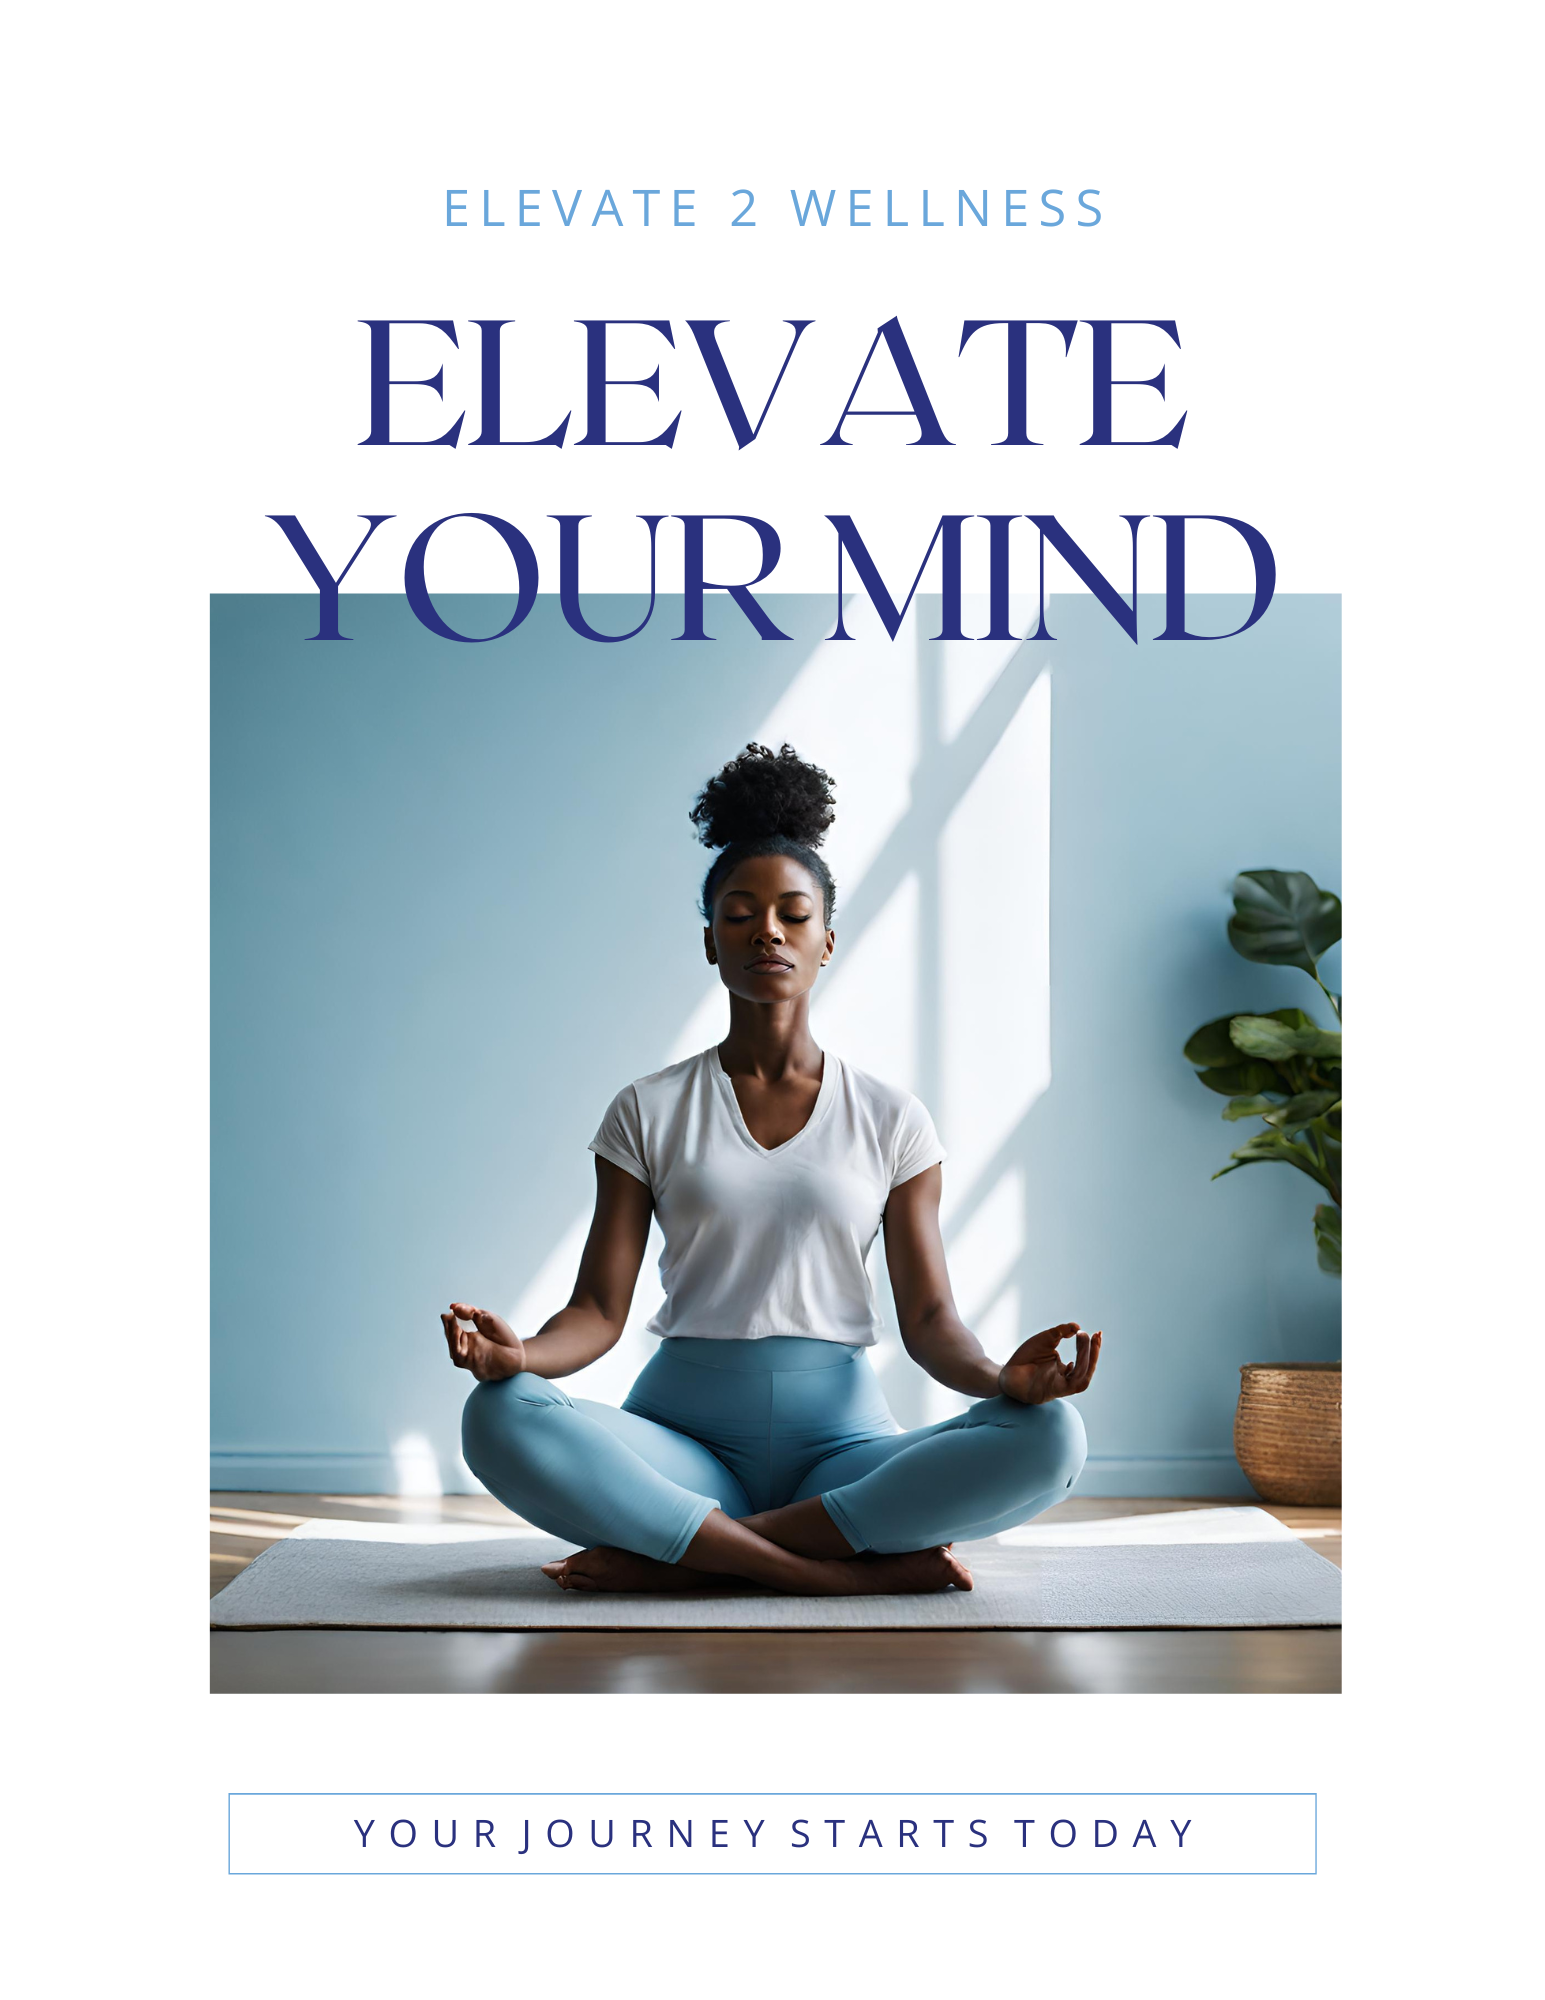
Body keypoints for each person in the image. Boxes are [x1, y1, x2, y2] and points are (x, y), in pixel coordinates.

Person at [440, 742, 1102, 1595]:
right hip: (680, 1444)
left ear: (828, 940)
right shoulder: (647, 1109)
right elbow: (598, 1312)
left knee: (1051, 1438)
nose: (768, 932)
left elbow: (932, 1320)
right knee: (497, 1415)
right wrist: (518, 1356)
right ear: (710, 943)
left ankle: (685, 1556)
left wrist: (1004, 1379)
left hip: (843, 1452)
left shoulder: (892, 1117)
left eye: (793, 914)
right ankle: (836, 1576)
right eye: (739, 914)